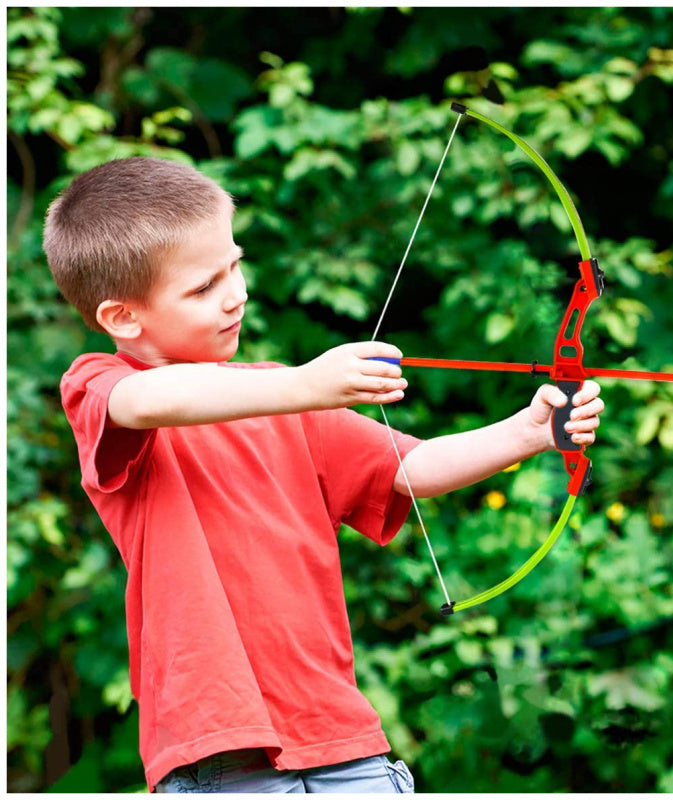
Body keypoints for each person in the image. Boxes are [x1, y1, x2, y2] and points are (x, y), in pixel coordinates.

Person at [43, 157, 604, 793]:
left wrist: (525, 433)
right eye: (203, 288)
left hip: (341, 738)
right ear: (122, 318)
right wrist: (307, 383)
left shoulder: (288, 400)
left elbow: (413, 469)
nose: (237, 293)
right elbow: (147, 402)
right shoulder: (100, 385)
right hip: (218, 753)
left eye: (235, 264)